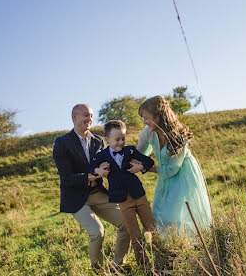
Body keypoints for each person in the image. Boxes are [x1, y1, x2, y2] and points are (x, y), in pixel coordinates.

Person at [52, 104, 130, 269]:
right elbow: (66, 179)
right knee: (97, 232)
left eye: (91, 116)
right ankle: (98, 271)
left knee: (127, 223)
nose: (90, 119)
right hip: (76, 198)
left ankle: (117, 266)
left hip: (98, 193)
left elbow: (106, 164)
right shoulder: (62, 143)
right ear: (74, 117)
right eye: (86, 115)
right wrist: (94, 174)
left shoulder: (98, 141)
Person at [136, 96, 212, 234]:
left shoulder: (178, 135)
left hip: (183, 174)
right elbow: (139, 154)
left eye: (146, 118)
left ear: (158, 116)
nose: (144, 122)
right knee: (159, 212)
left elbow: (172, 169)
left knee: (177, 214)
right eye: (143, 118)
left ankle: (187, 246)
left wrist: (145, 168)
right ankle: (166, 248)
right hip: (164, 175)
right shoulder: (148, 132)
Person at [90, 120, 156, 266]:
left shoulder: (130, 150)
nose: (121, 142)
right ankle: (144, 264)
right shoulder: (102, 156)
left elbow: (148, 161)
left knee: (151, 227)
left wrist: (140, 167)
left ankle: (160, 256)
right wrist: (99, 170)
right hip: (123, 200)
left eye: (123, 138)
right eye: (117, 139)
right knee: (134, 233)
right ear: (107, 140)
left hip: (139, 195)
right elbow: (91, 167)